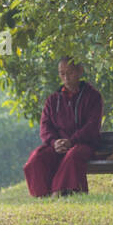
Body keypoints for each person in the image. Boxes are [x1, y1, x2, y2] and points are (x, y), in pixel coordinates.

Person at [23, 57, 104, 197]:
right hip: (58, 146)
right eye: (62, 73)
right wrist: (55, 142)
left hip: (83, 144)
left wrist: (71, 141)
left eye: (70, 72)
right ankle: (42, 195)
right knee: (37, 157)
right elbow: (45, 126)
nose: (66, 78)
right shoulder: (53, 100)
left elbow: (92, 127)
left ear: (80, 71)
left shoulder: (93, 96)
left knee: (73, 155)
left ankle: (61, 192)